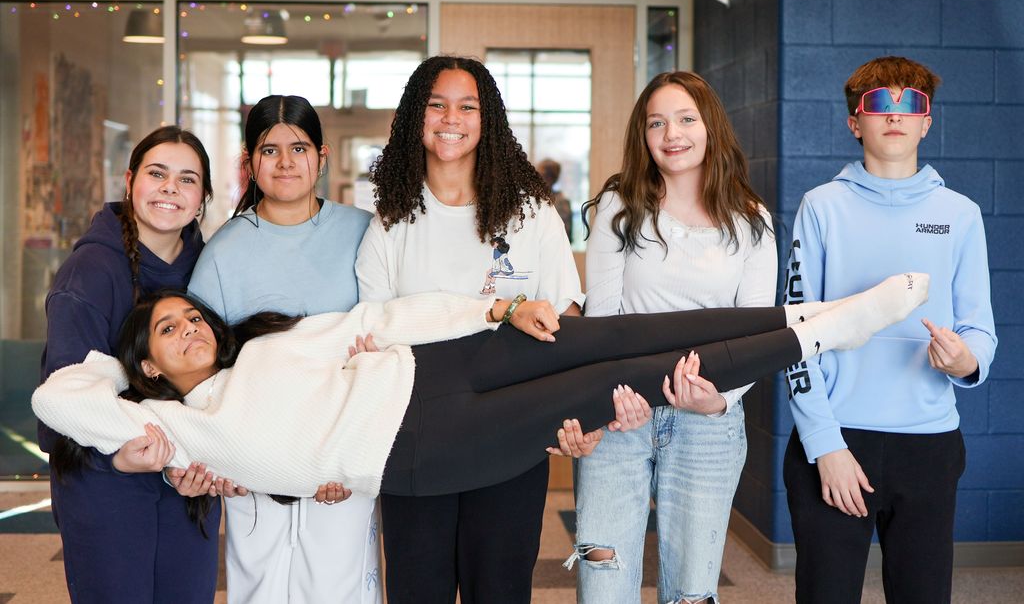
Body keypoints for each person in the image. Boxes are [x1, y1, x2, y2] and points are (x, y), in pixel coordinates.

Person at [34, 272, 929, 502]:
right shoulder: (165, 424)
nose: (191, 327)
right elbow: (55, 398)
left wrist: (494, 303)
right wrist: (122, 373)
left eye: (192, 315)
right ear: (149, 363)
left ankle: (813, 314)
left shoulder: (269, 347)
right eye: (169, 329)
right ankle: (815, 338)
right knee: (631, 378)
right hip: (422, 450)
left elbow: (381, 317)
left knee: (613, 334)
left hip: (438, 367)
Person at [354, 54, 590, 603]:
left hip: (512, 433)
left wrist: (568, 411)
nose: (450, 118)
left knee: (501, 591)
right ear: (417, 117)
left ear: (488, 121)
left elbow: (568, 319)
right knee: (418, 590)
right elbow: (374, 329)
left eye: (467, 106)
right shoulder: (391, 222)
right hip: (414, 438)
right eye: (436, 105)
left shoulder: (532, 214)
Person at [782, 56, 997, 604]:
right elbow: (794, 335)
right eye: (879, 102)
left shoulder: (960, 214)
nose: (895, 115)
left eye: (911, 104)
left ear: (928, 121)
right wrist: (824, 445)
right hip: (835, 441)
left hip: (928, 447)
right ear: (856, 122)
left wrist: (966, 360)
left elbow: (979, 330)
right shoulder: (821, 207)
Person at [574, 71, 776, 603]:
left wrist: (717, 401)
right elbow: (603, 322)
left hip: (709, 427)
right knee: (604, 579)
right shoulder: (620, 207)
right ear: (643, 135)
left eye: (686, 119)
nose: (672, 134)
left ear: (711, 126)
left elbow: (755, 338)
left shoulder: (753, 222)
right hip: (621, 418)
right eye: (656, 122)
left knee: (692, 591)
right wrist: (611, 400)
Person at [184, 95, 377, 604]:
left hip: (342, 453)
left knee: (340, 589)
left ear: (323, 154)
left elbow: (382, 346)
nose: (286, 162)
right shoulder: (223, 252)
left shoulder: (363, 234)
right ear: (250, 162)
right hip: (255, 459)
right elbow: (202, 371)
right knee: (261, 591)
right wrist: (223, 455)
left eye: (299, 148)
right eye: (270, 151)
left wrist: (347, 456)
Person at [37, 126, 220, 603]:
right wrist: (117, 457)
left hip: (187, 486)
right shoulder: (90, 274)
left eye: (187, 180)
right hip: (106, 485)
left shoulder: (211, 268)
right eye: (157, 174)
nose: (169, 189)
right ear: (129, 180)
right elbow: (60, 406)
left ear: (202, 198)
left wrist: (211, 458)